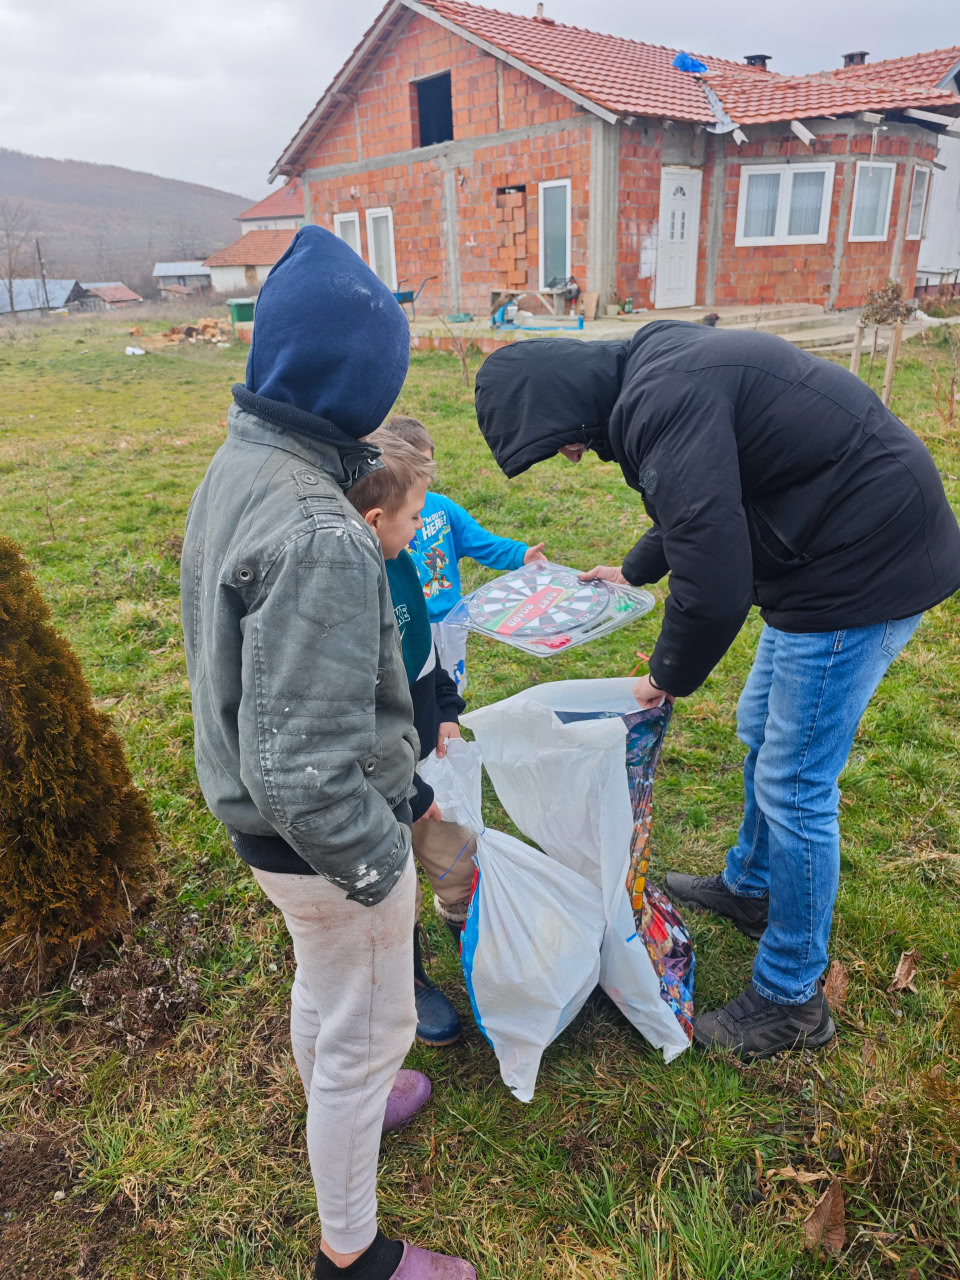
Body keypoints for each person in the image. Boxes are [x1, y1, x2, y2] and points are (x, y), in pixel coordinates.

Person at [474, 321, 960, 1060]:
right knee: (759, 727)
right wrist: (634, 570)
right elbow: (700, 501)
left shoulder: (660, 398)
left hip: (863, 564)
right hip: (828, 540)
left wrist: (664, 679)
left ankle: (792, 998)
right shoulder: (653, 371)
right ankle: (753, 886)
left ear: (565, 399)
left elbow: (715, 586)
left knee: (795, 783)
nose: (571, 454)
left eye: (560, 442)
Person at [181, 225, 475, 1280]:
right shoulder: (322, 530)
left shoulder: (243, 461)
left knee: (328, 987)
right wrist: (381, 865)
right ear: (357, 382)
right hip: (322, 843)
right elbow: (303, 767)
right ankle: (355, 1254)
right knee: (366, 1026)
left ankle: (343, 1099)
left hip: (267, 833)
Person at [345, 429, 477, 1049]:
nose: (425, 527)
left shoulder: (399, 563)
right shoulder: (342, 595)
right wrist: (412, 792)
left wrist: (446, 707)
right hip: (381, 784)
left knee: (455, 857)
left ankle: (474, 934)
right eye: (418, 516)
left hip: (425, 755)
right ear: (376, 520)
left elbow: (426, 650)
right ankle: (409, 981)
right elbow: (356, 719)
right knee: (392, 892)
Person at [382, 414, 546, 693]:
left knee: (451, 687)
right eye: (416, 467)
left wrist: (521, 555)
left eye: (428, 465)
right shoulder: (387, 519)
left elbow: (482, 542)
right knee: (415, 689)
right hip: (409, 626)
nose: (425, 476)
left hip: (452, 621)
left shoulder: (443, 507)